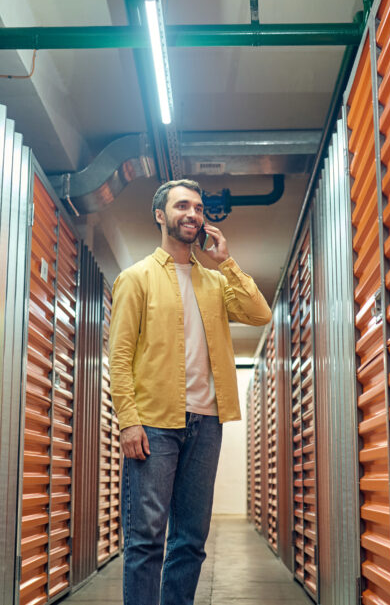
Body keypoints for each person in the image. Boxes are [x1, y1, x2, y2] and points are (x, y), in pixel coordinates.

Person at [109, 179, 272, 605]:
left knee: (190, 541)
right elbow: (120, 356)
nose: (193, 215)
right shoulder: (136, 278)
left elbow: (260, 313)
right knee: (145, 540)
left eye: (198, 208)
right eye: (182, 206)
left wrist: (228, 262)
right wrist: (128, 421)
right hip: (154, 425)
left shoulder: (215, 284)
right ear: (160, 215)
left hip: (207, 422)